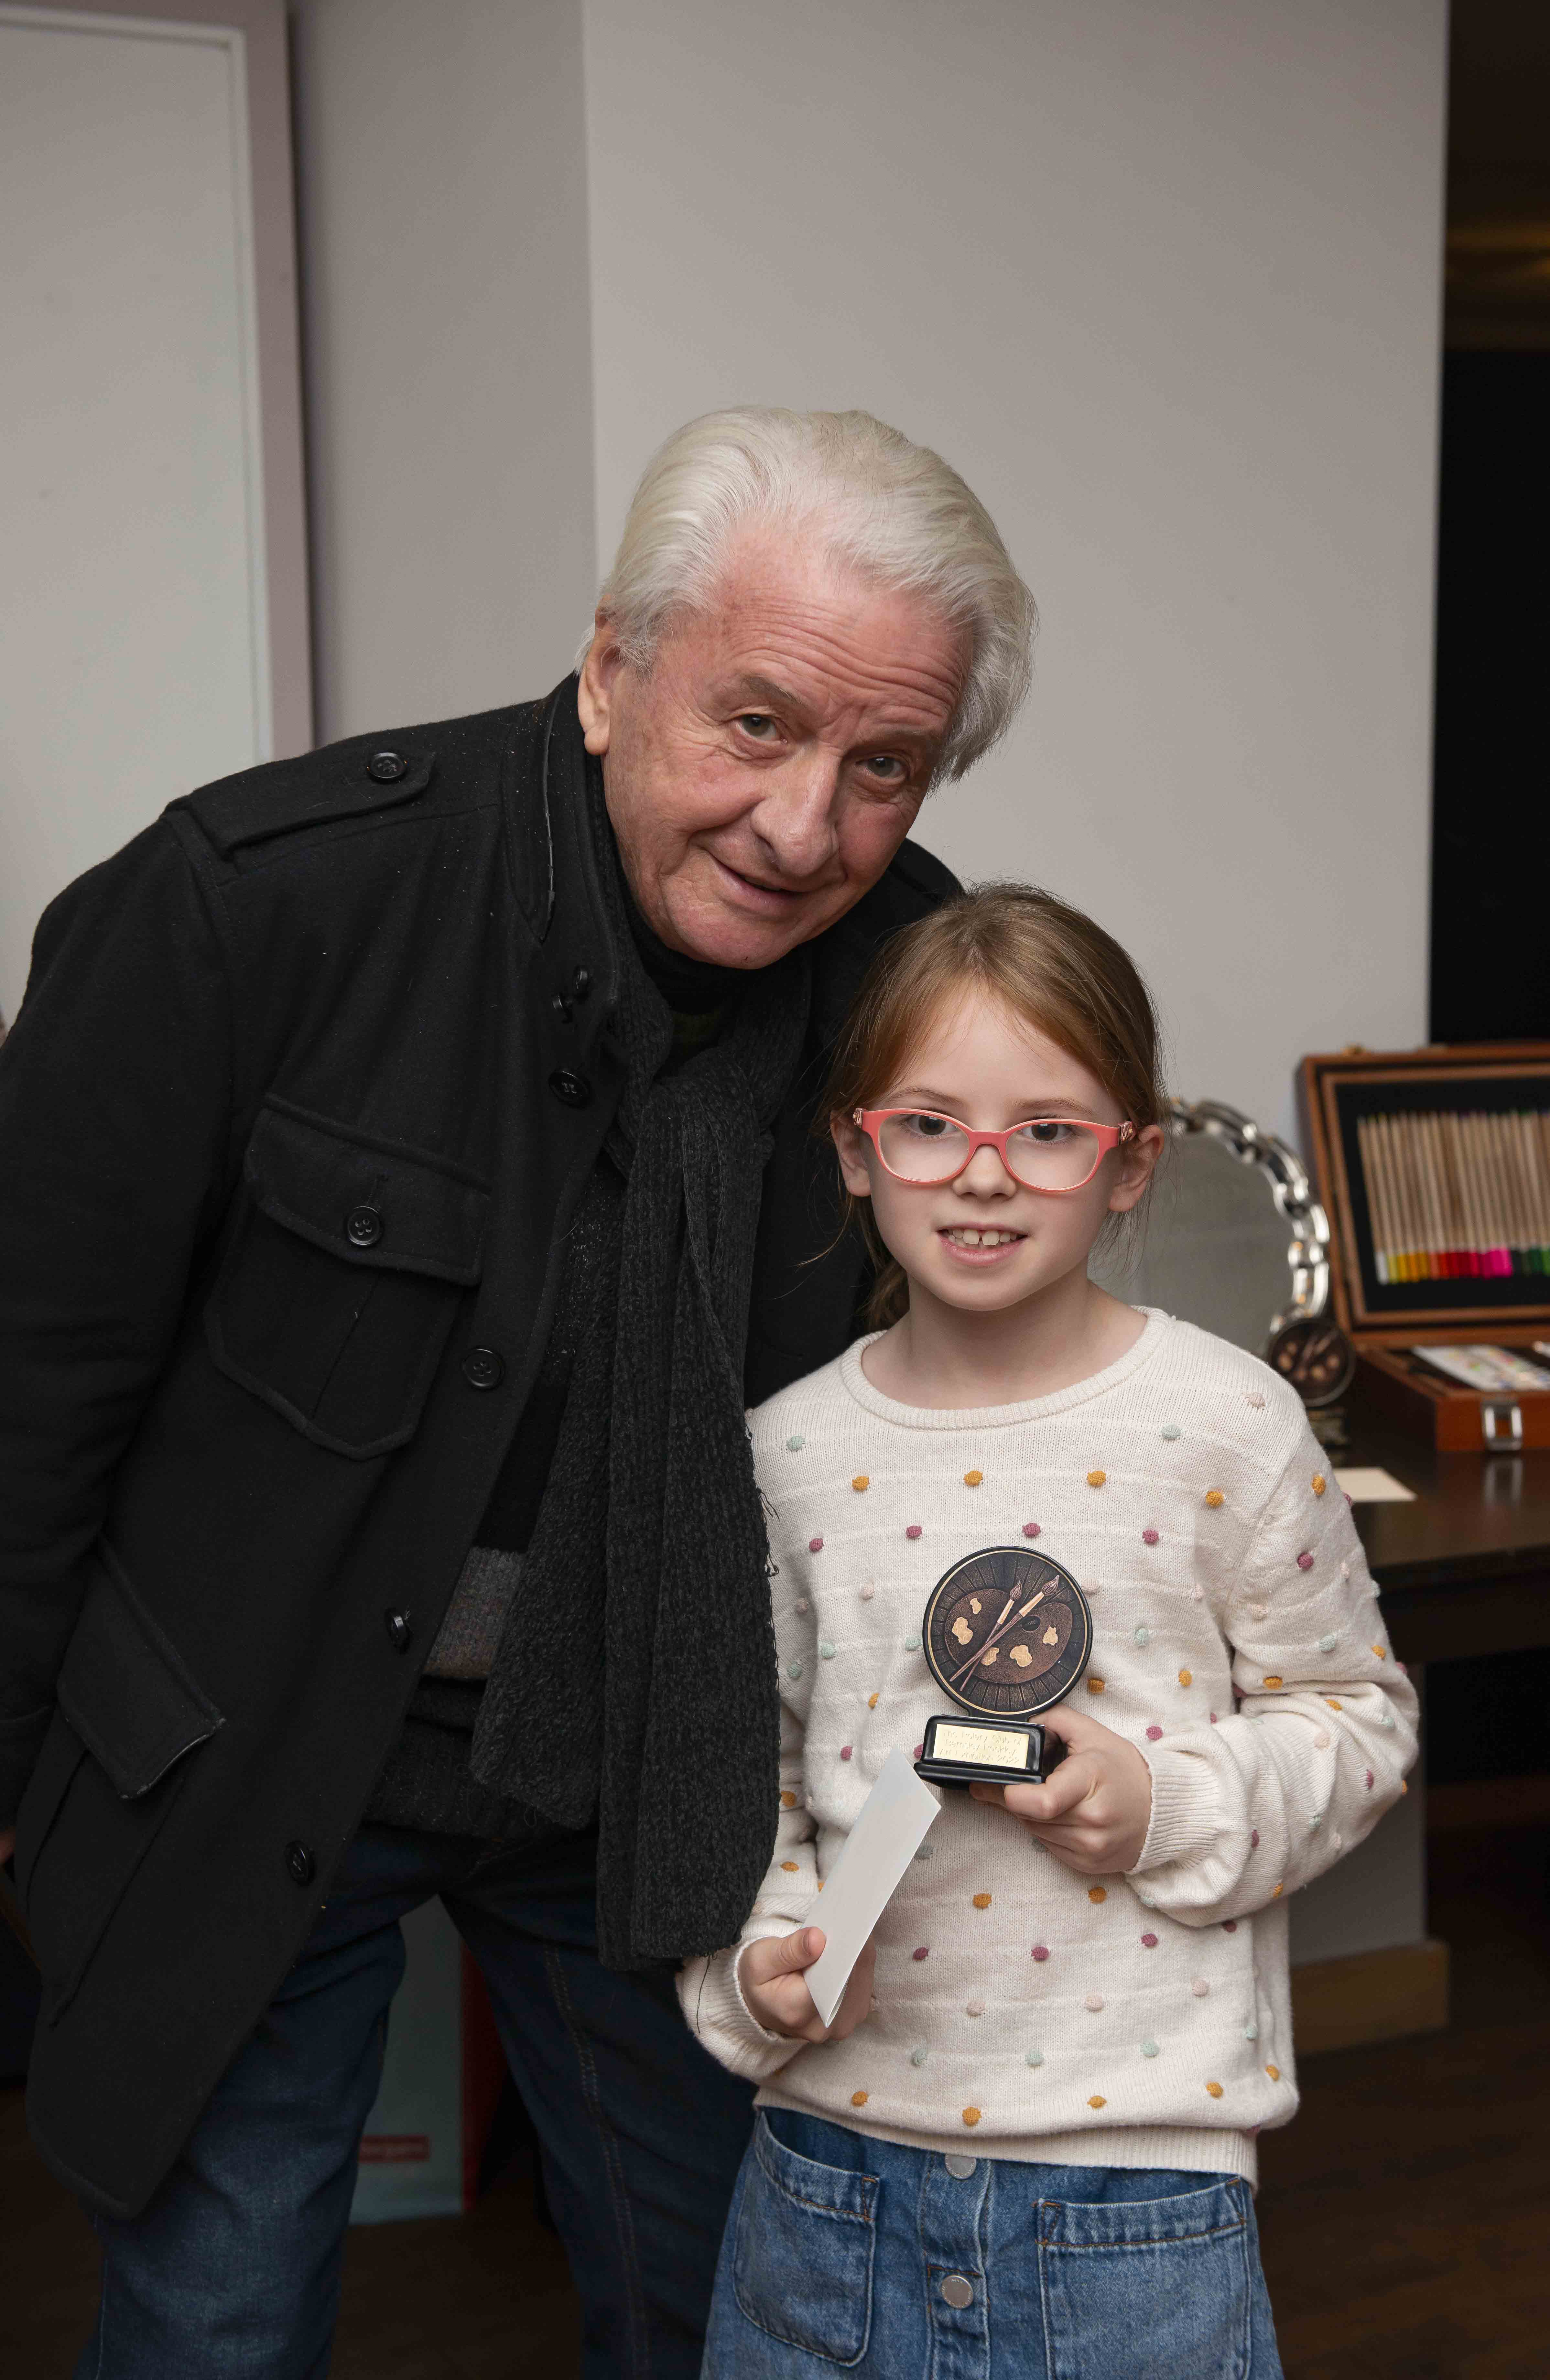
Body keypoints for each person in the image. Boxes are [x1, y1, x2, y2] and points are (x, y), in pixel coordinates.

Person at [0, 409, 1037, 2378]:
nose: (801, 828)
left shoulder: (918, 975)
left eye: (882, 765)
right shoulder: (257, 899)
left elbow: (961, 1384)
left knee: (731, 2308)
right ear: (612, 667)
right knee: (219, 2318)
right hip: (245, 1743)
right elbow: (30, 1387)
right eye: (755, 724)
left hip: (649, 1762)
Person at [680, 885, 1420, 2378]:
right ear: (854, 1149)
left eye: (1047, 1130)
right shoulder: (781, 1454)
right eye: (929, 1124)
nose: (983, 1174)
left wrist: (1164, 1802)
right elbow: (742, 1771)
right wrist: (756, 1963)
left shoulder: (1227, 1426)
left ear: (1131, 1161)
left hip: (1135, 2193)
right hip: (829, 2173)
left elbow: (1357, 1718)